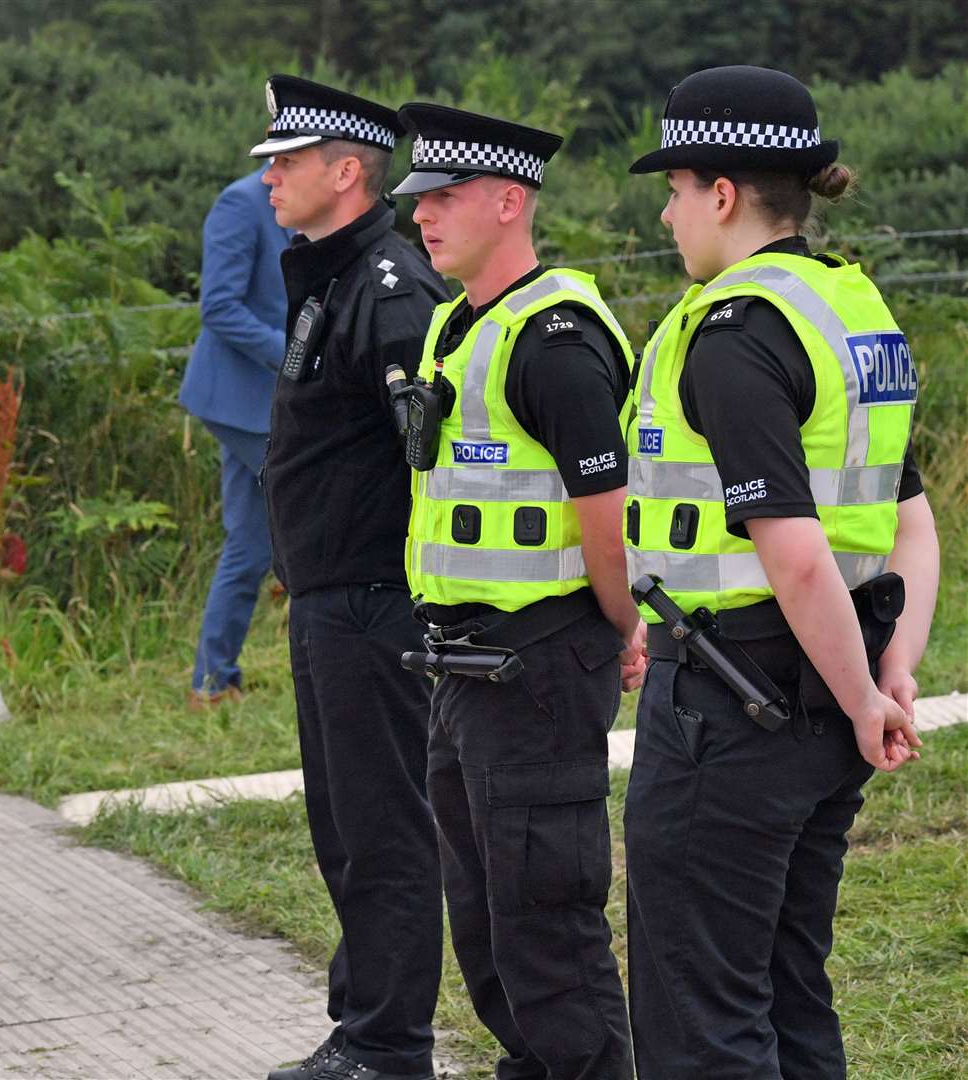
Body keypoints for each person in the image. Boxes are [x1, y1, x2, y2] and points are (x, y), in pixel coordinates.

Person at [621, 65, 939, 1078]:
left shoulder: (735, 328)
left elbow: (793, 553)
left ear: (722, 194)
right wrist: (888, 675)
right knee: (789, 984)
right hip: (822, 684)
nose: (668, 213)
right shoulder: (850, 307)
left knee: (699, 1007)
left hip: (733, 699)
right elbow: (914, 523)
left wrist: (862, 695)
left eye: (673, 189)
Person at [393, 103, 640, 1078]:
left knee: (546, 924)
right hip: (464, 667)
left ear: (509, 200)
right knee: (489, 923)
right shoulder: (458, 325)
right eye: (419, 200)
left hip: (538, 662)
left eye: (445, 198)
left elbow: (608, 514)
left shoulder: (558, 339)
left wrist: (624, 628)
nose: (422, 216)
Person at [252, 75, 452, 1080]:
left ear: (348, 171)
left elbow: (436, 457)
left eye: (288, 162)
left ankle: (392, 1046)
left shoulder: (389, 288)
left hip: (378, 603)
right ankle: (362, 1027)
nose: (271, 177)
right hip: (331, 603)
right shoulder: (327, 279)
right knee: (345, 824)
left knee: (383, 829)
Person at [178, 164, 293, 706]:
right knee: (311, 511)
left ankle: (211, 681)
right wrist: (293, 354)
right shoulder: (241, 203)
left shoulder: (304, 203)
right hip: (237, 399)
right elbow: (218, 306)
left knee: (248, 545)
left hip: (264, 402)